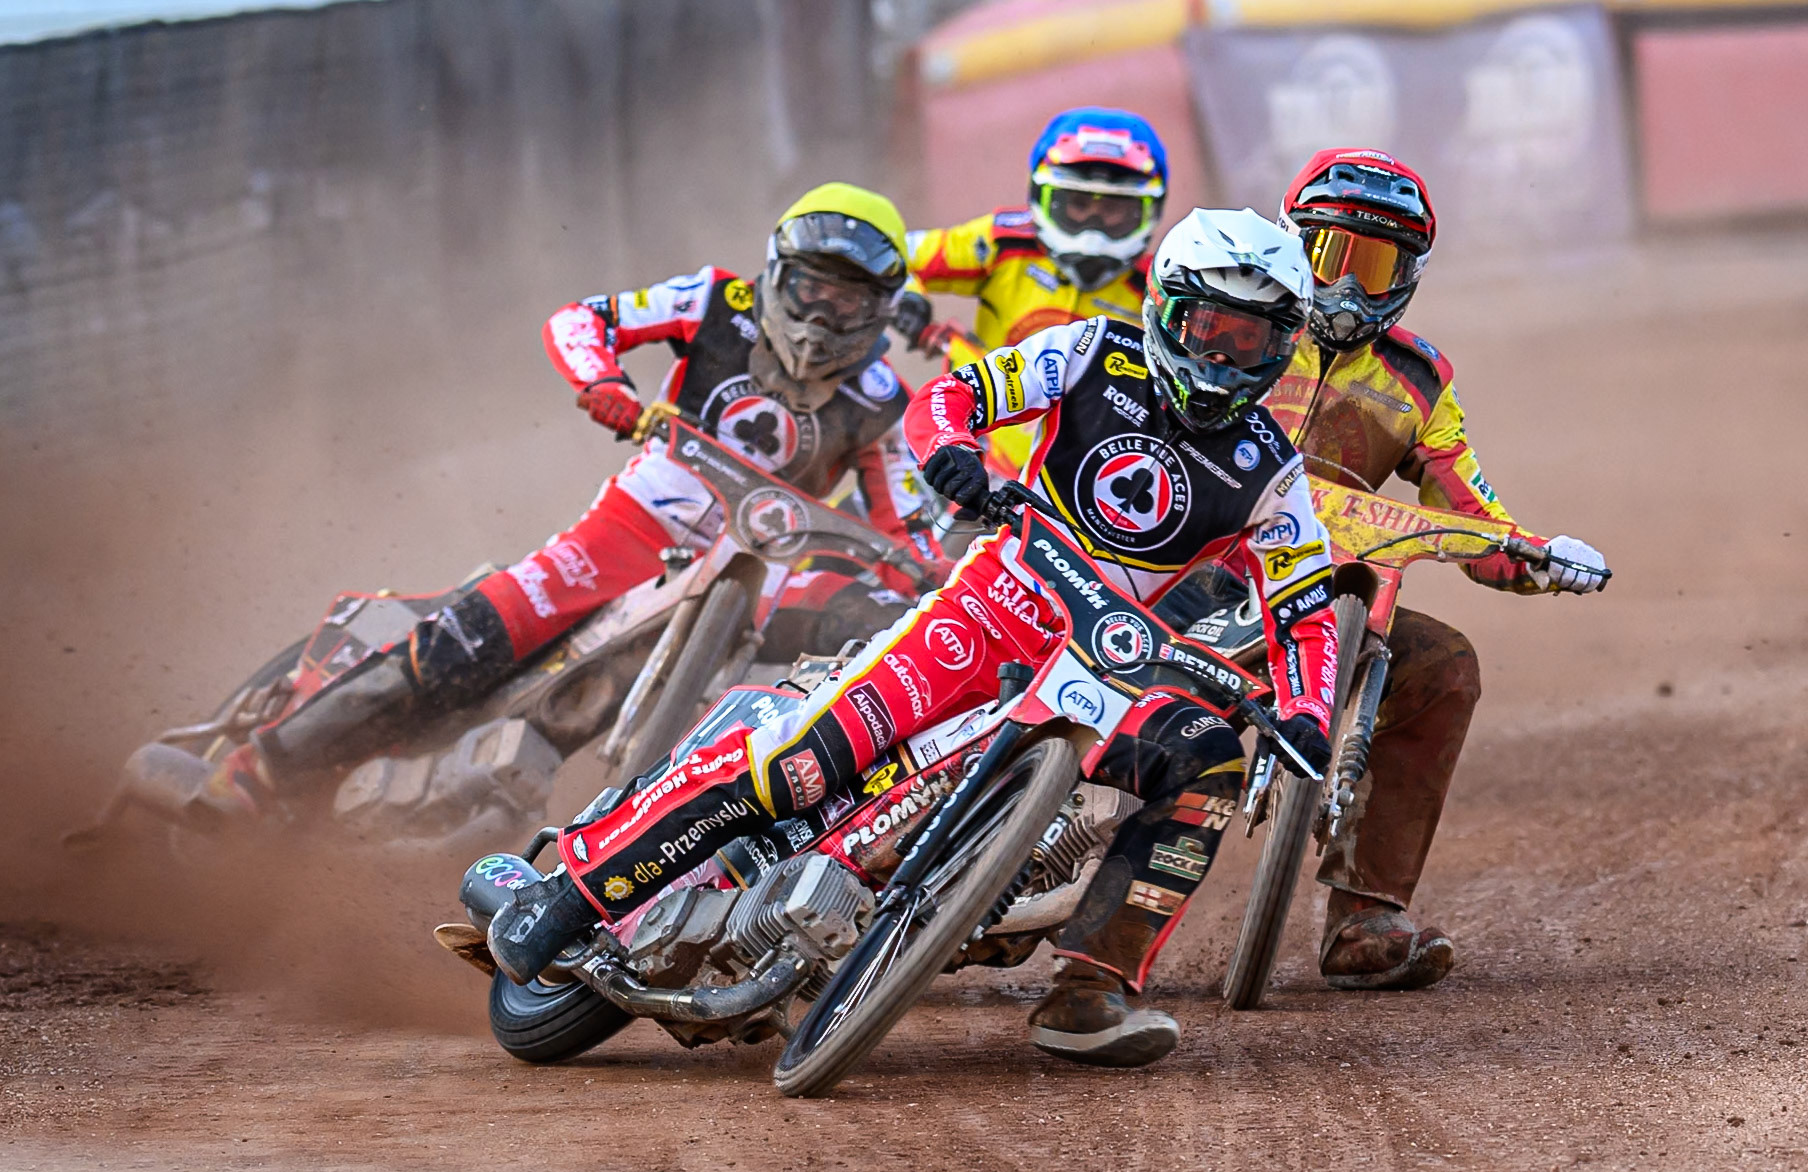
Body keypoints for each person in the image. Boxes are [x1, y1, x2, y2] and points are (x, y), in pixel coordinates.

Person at [487, 208, 1340, 1069]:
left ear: (1283, 350)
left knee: (1209, 757)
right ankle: (573, 891)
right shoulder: (1089, 351)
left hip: (1110, 671)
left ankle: (1091, 990)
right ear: (1166, 307)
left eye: (1252, 340)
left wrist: (1306, 707)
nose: (1224, 358)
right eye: (1210, 328)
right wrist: (951, 454)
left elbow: (1305, 608)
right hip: (986, 611)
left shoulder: (1275, 470)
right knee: (797, 764)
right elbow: (954, 397)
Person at [203, 183, 940, 815]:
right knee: (480, 633)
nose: (822, 317)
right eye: (813, 289)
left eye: (847, 301)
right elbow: (583, 320)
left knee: (852, 632)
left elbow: (906, 535)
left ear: (880, 310)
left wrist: (934, 580)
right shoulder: (717, 300)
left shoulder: (884, 403)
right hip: (641, 522)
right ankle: (262, 770)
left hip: (755, 572)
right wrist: (604, 385)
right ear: (781, 274)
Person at [1269, 148, 1609, 990]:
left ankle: (1364, 914)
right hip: (1187, 570)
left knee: (1443, 666)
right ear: (1288, 243)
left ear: (1408, 277)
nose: (1346, 286)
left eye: (1373, 264)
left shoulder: (1418, 385)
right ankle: (1001, 872)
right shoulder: (1236, 312)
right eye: (1328, 256)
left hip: (1322, 592)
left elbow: (1472, 514)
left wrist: (1542, 558)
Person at [903, 106, 1168, 477]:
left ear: (1149, 209)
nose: (1093, 225)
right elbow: (895, 253)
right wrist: (909, 297)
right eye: (1078, 204)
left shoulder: (1160, 291)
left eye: (1113, 209)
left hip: (1086, 474)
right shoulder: (1002, 242)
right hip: (971, 440)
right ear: (1041, 195)